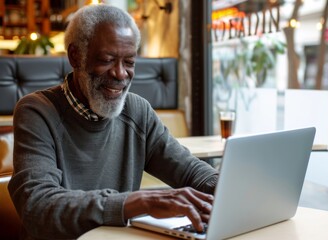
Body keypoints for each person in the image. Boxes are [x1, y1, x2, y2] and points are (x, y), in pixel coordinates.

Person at [8, 4, 219, 240]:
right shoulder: (37, 111)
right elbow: (38, 207)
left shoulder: (138, 110)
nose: (120, 73)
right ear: (76, 57)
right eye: (107, 60)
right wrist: (137, 202)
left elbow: (190, 170)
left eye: (129, 62)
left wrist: (229, 186)